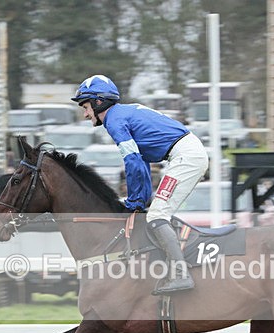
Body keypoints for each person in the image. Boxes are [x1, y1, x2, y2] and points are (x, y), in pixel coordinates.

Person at [71, 74, 209, 294]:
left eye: (85, 107)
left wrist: (134, 200)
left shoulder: (114, 121)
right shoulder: (122, 113)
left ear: (99, 102)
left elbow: (133, 161)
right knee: (154, 212)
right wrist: (139, 201)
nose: (85, 114)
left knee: (156, 216)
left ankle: (181, 275)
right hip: (186, 153)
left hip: (186, 157)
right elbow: (141, 161)